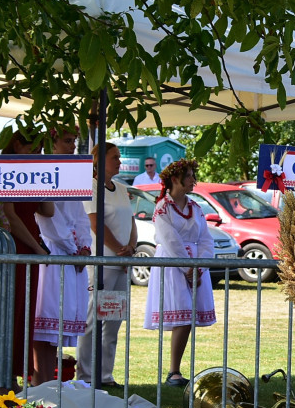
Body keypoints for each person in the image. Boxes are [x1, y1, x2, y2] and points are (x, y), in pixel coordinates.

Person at [143, 159, 216, 387]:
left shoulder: (195, 208)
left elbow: (205, 238)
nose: (194, 179)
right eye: (189, 175)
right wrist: (186, 268)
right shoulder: (162, 207)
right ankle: (173, 371)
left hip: (193, 264)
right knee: (182, 316)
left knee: (188, 318)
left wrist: (200, 265)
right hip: (172, 264)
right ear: (175, 179)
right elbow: (170, 240)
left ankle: (176, 370)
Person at [76, 144, 137, 387]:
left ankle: (105, 375)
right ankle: (86, 376)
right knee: (93, 320)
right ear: (98, 161)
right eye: (114, 158)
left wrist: (130, 248)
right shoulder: (90, 187)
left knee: (113, 320)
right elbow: (96, 223)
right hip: (102, 262)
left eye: (119, 158)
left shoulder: (121, 188)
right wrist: (118, 250)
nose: (119, 162)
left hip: (122, 264)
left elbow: (131, 221)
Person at [0, 128, 54, 383]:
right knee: (11, 309)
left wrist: (48, 180)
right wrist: (36, 247)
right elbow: (10, 214)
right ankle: (2, 374)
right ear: (17, 145)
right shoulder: (6, 168)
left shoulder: (34, 172)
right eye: (33, 149)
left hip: (30, 245)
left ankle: (15, 374)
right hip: (14, 244)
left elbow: (48, 210)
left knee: (25, 310)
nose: (37, 154)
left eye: (40, 150)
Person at [33, 158, 92, 385]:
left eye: (74, 141)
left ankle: (49, 384)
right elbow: (50, 221)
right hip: (53, 251)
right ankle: (41, 383)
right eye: (67, 141)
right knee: (45, 321)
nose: (72, 146)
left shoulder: (72, 180)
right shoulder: (46, 174)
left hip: (70, 255)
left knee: (55, 328)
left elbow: (80, 217)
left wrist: (84, 247)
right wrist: (72, 248)